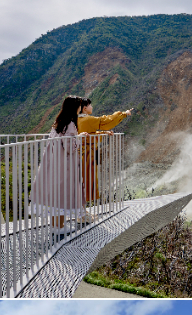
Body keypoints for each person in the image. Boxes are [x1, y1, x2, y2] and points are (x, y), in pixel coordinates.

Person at [30, 95, 85, 236]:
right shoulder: (71, 125)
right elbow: (70, 148)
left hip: (53, 163)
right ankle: (59, 227)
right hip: (64, 166)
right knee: (62, 195)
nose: (80, 107)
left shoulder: (58, 122)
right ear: (75, 108)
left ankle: (56, 226)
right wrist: (79, 139)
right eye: (79, 105)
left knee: (55, 196)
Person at [78, 99, 133, 208]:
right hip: (88, 155)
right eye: (90, 105)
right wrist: (124, 114)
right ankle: (82, 214)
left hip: (80, 153)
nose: (92, 107)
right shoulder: (88, 119)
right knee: (86, 182)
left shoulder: (77, 120)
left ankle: (81, 212)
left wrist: (103, 133)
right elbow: (107, 121)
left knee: (81, 181)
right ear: (85, 108)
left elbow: (88, 134)